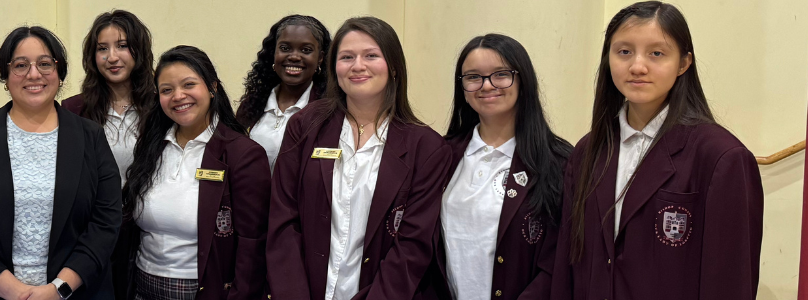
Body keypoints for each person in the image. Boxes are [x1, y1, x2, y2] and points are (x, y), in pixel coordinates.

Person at [550, 2, 764, 299]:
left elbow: (729, 281)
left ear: (683, 63)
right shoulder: (588, 151)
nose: (637, 66)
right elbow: (567, 266)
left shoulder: (720, 157)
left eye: (657, 53)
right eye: (624, 52)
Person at [266, 16, 451, 300]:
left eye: (371, 55)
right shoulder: (304, 126)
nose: (357, 66)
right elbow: (283, 221)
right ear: (334, 67)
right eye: (347, 57)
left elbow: (412, 247)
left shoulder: (427, 148)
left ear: (393, 66)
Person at [0, 26, 122, 300]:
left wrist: (58, 289)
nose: (34, 74)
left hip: (76, 292)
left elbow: (106, 223)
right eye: (21, 65)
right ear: (5, 74)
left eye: (45, 64)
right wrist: (14, 292)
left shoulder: (90, 137)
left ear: (60, 74)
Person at [113, 45, 271, 300]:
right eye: (167, 90)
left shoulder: (242, 154)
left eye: (188, 85)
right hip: (142, 285)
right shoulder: (152, 147)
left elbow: (253, 245)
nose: (178, 96)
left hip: (206, 290)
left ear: (212, 87)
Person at [435, 33, 572, 300]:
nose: (486, 86)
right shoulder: (441, 156)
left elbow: (559, 261)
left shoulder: (559, 161)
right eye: (473, 77)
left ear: (523, 81)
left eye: (500, 74)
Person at [61, 9, 154, 184]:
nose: (112, 57)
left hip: (147, 210)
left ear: (139, 50)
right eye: (102, 48)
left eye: (122, 46)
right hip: (95, 211)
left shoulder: (160, 107)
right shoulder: (74, 109)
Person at [236, 14, 331, 169]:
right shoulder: (251, 106)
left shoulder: (328, 111)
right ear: (274, 53)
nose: (294, 56)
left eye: (306, 50)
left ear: (320, 58)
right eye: (285, 48)